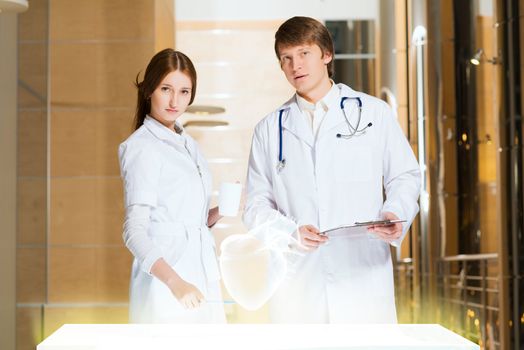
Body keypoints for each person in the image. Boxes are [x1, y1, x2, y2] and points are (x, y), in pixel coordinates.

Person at [243, 16, 421, 323]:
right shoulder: (269, 129)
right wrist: (289, 232)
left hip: (362, 275)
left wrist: (395, 212)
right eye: (286, 58)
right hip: (299, 282)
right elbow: (254, 206)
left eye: (303, 54)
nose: (294, 65)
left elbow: (404, 175)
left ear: (326, 54)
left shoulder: (373, 113)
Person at [118, 49, 226, 323]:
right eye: (166, 89)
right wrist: (175, 283)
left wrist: (219, 212)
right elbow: (134, 230)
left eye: (184, 92)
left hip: (202, 275)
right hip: (168, 283)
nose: (174, 100)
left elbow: (184, 219)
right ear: (149, 90)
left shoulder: (188, 143)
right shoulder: (142, 148)